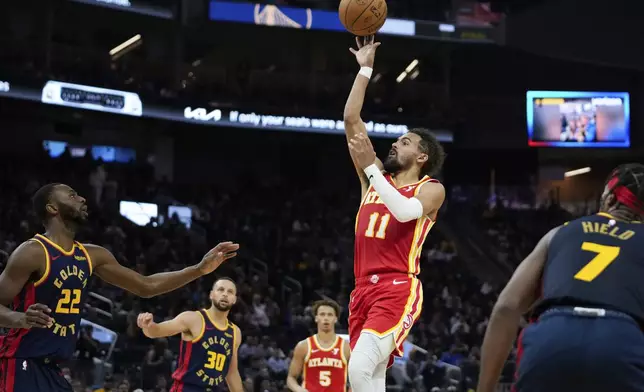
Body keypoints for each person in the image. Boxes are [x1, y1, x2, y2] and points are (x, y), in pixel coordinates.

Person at [0, 183, 238, 392]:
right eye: (71, 195)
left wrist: (198, 269)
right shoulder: (32, 252)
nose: (82, 198)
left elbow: (146, 286)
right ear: (52, 207)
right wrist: (20, 318)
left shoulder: (92, 255)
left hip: (53, 370)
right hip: (20, 362)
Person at [477, 163, 644, 392]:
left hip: (550, 340)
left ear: (610, 199)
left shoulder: (559, 233)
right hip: (619, 343)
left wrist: (484, 389)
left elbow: (506, 308)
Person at [342, 36, 447, 392]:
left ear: (422, 157)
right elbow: (351, 118)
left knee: (357, 370)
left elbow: (403, 213)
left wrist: (369, 170)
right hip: (361, 291)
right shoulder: (376, 181)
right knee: (370, 378)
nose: (394, 143)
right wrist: (365, 69)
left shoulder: (430, 189)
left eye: (404, 142)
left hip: (397, 287)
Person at [137, 277, 244, 392]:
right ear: (211, 295)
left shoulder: (235, 332)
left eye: (230, 292)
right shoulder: (193, 319)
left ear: (234, 299)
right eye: (221, 290)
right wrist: (148, 326)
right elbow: (157, 331)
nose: (225, 294)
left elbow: (231, 373)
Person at [286, 300, 350, 392]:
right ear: (316, 318)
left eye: (330, 315)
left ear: (335, 319)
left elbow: (356, 379)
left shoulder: (346, 347)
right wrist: (300, 390)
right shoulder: (303, 346)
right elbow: (291, 378)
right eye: (322, 314)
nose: (326, 318)